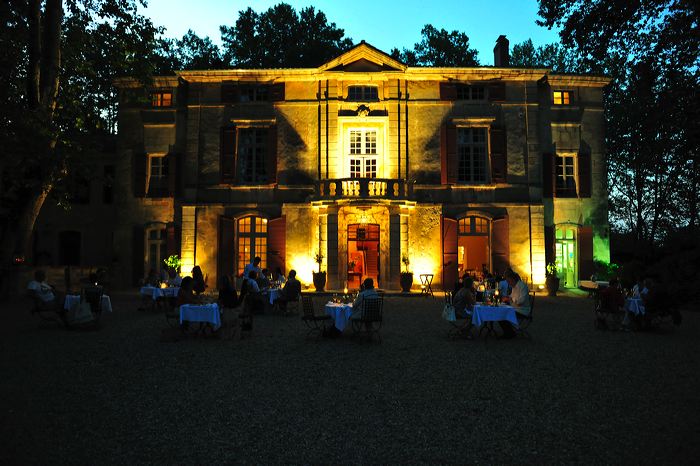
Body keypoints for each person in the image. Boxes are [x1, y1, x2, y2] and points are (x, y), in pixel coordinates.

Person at [499, 270, 530, 338]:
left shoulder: (522, 286)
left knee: (502, 314)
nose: (509, 283)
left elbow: (521, 301)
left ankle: (509, 333)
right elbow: (512, 296)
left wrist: (510, 299)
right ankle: (509, 332)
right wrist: (507, 298)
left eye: (509, 281)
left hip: (522, 310)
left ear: (512, 279)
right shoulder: (514, 287)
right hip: (515, 308)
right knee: (500, 312)